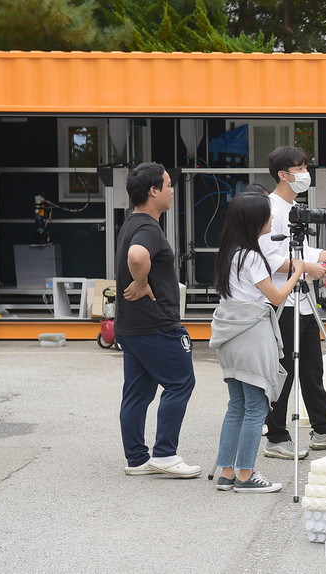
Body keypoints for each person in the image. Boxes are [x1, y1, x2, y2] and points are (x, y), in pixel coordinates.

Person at [257, 146, 326, 458]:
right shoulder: (269, 210)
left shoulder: (295, 208)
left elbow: (299, 250)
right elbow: (271, 258)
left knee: (312, 368)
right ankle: (276, 436)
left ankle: (324, 429)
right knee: (283, 371)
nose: (305, 174)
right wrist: (307, 267)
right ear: (283, 175)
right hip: (281, 302)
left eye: (305, 167)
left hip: (302, 302)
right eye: (299, 169)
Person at [210, 192, 306, 493]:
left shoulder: (229, 253)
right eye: (266, 215)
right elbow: (277, 297)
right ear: (254, 222)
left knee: (236, 405)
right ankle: (246, 475)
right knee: (255, 407)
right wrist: (298, 271)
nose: (270, 220)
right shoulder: (252, 255)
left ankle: (226, 472)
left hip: (229, 334)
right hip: (251, 334)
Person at [115, 162, 200, 478]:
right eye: (167, 185)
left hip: (131, 326)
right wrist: (140, 282)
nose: (172, 189)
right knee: (181, 383)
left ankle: (137, 458)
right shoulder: (148, 228)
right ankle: (165, 454)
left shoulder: (131, 222)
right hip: (156, 324)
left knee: (138, 392)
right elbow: (137, 256)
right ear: (153, 191)